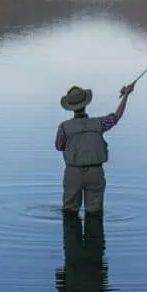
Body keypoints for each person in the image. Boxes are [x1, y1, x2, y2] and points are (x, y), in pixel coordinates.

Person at [54, 82, 134, 215]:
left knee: (69, 212)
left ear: (71, 107)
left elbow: (58, 146)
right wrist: (126, 95)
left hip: (73, 173)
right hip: (95, 172)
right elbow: (116, 117)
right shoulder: (99, 124)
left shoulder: (64, 127)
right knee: (94, 212)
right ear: (85, 104)